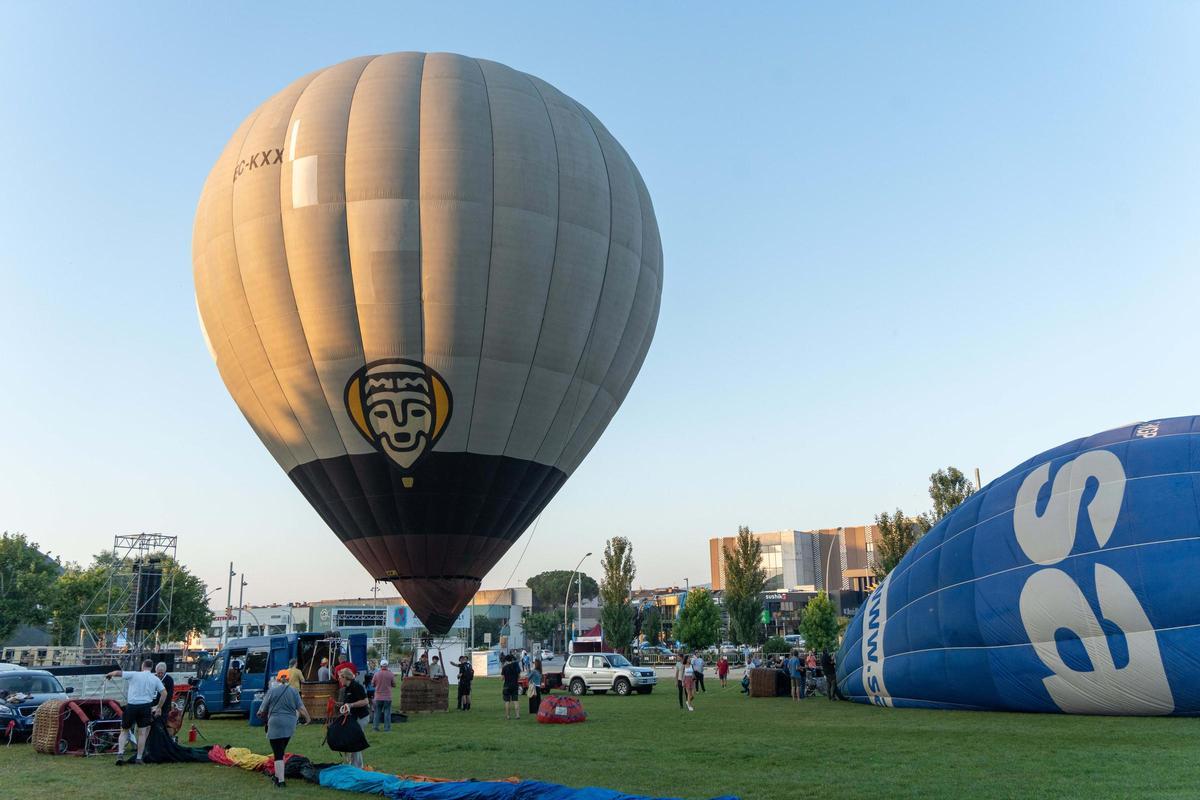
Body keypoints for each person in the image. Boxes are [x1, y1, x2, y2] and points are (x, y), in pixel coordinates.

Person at [105, 659, 167, 764]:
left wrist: (110, 674)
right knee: (142, 733)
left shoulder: (134, 674)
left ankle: (120, 754)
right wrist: (158, 707)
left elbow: (118, 673)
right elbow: (164, 693)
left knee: (124, 730)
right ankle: (139, 758)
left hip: (132, 706)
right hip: (146, 706)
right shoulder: (155, 679)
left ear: (143, 666)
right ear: (152, 668)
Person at [259, 669, 311, 787]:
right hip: (289, 725)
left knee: (278, 753)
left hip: (275, 724)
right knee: (281, 750)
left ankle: (280, 781)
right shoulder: (294, 691)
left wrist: (262, 716)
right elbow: (301, 708)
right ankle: (277, 776)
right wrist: (308, 719)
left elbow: (261, 711)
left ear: (277, 678)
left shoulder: (272, 691)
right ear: (288, 679)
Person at [337, 667, 370, 768]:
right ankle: (354, 764)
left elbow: (365, 701)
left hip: (361, 717)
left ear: (345, 677)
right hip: (353, 718)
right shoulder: (347, 688)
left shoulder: (356, 686)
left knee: (355, 741)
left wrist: (351, 705)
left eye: (340, 677)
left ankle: (358, 766)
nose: (339, 679)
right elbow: (348, 702)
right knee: (352, 741)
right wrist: (339, 704)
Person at [371, 660, 395, 731]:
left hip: (378, 696)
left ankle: (375, 728)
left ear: (381, 666)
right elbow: (394, 684)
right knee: (387, 713)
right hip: (387, 697)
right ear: (387, 666)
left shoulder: (376, 674)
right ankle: (387, 728)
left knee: (377, 713)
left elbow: (372, 684)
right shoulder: (391, 674)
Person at [501, 654, 521, 719]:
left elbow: (502, 678)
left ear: (506, 660)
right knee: (515, 701)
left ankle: (508, 716)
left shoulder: (504, 668)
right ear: (512, 659)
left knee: (507, 701)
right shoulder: (516, 666)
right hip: (515, 685)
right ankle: (517, 715)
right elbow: (519, 676)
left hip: (507, 686)